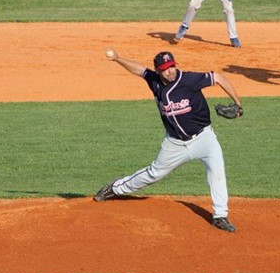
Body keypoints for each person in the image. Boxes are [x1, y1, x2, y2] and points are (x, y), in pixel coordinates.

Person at [94, 49, 243, 233]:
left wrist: (238, 104)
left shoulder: (188, 79)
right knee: (154, 174)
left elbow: (218, 77)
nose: (170, 71)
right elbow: (139, 70)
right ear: (158, 70)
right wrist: (117, 59)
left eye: (172, 66)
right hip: (175, 143)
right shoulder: (154, 81)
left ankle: (220, 216)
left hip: (204, 138)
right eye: (165, 69)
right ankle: (115, 188)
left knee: (217, 169)